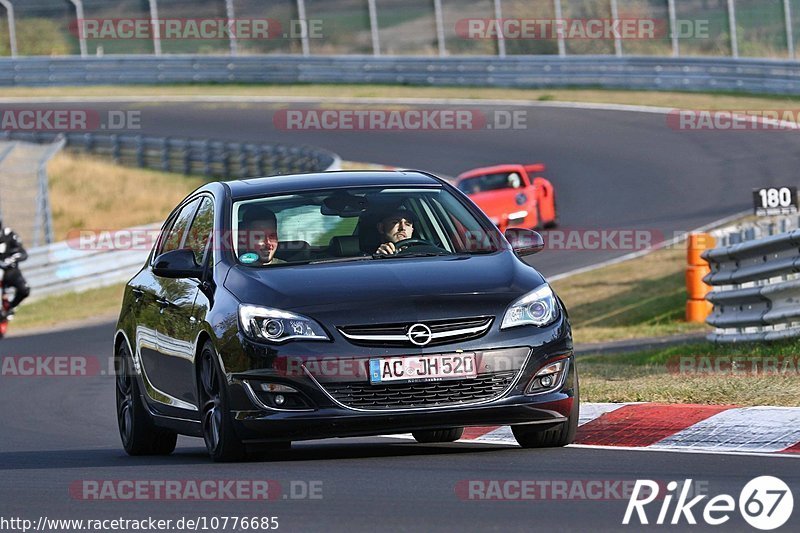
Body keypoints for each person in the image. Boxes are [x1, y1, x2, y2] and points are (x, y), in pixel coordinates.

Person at [0, 219, 30, 318]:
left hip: (10, 271)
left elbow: (23, 253)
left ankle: (11, 307)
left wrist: (12, 258)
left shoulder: (9, 234)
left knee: (24, 289)